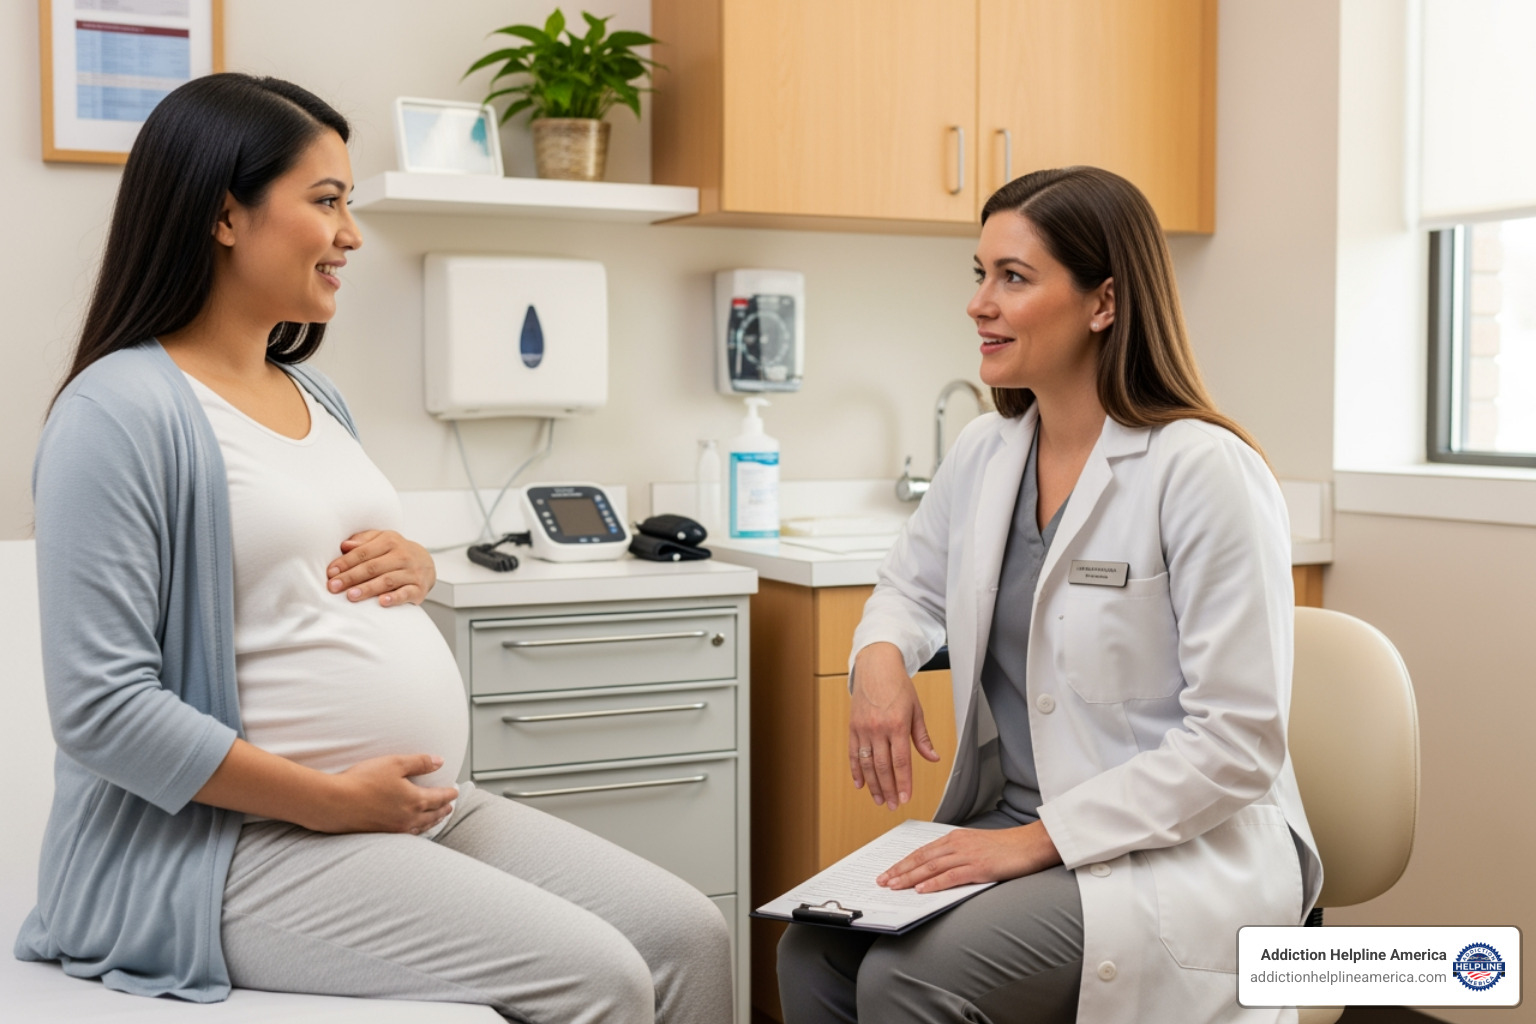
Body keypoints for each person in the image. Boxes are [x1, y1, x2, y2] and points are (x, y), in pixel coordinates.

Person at [16, 73, 730, 1024]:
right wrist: (325, 800)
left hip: (408, 811)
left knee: (691, 936)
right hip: (227, 847)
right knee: (600, 978)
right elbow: (101, 709)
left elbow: (298, 568)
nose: (352, 234)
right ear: (224, 215)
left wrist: (416, 565)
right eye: (327, 201)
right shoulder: (116, 413)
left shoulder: (315, 395)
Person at [777, 167, 1323, 1024]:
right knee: (814, 951)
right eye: (980, 273)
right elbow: (907, 587)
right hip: (1018, 821)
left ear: (1104, 302)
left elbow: (1238, 743)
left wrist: (1034, 844)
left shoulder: (1203, 471)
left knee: (908, 978)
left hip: (1170, 850)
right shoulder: (987, 451)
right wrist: (879, 660)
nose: (978, 304)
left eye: (1014, 277)